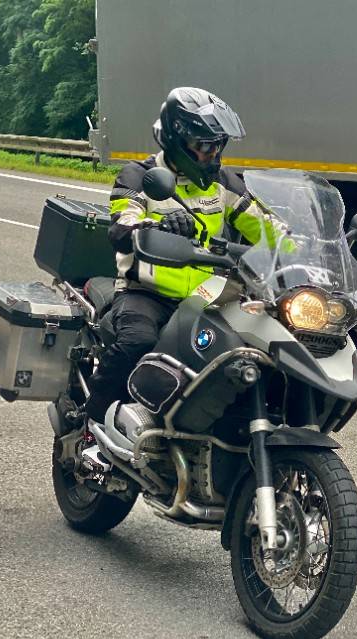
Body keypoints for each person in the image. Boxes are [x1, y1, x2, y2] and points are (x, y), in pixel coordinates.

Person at [84, 86, 271, 424]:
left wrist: (301, 245)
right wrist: (156, 224)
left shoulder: (224, 184)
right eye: (203, 147)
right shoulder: (139, 177)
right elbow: (122, 226)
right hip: (148, 294)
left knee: (256, 348)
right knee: (137, 342)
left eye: (217, 147)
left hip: (209, 298)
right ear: (175, 140)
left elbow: (266, 228)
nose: (212, 157)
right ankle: (92, 420)